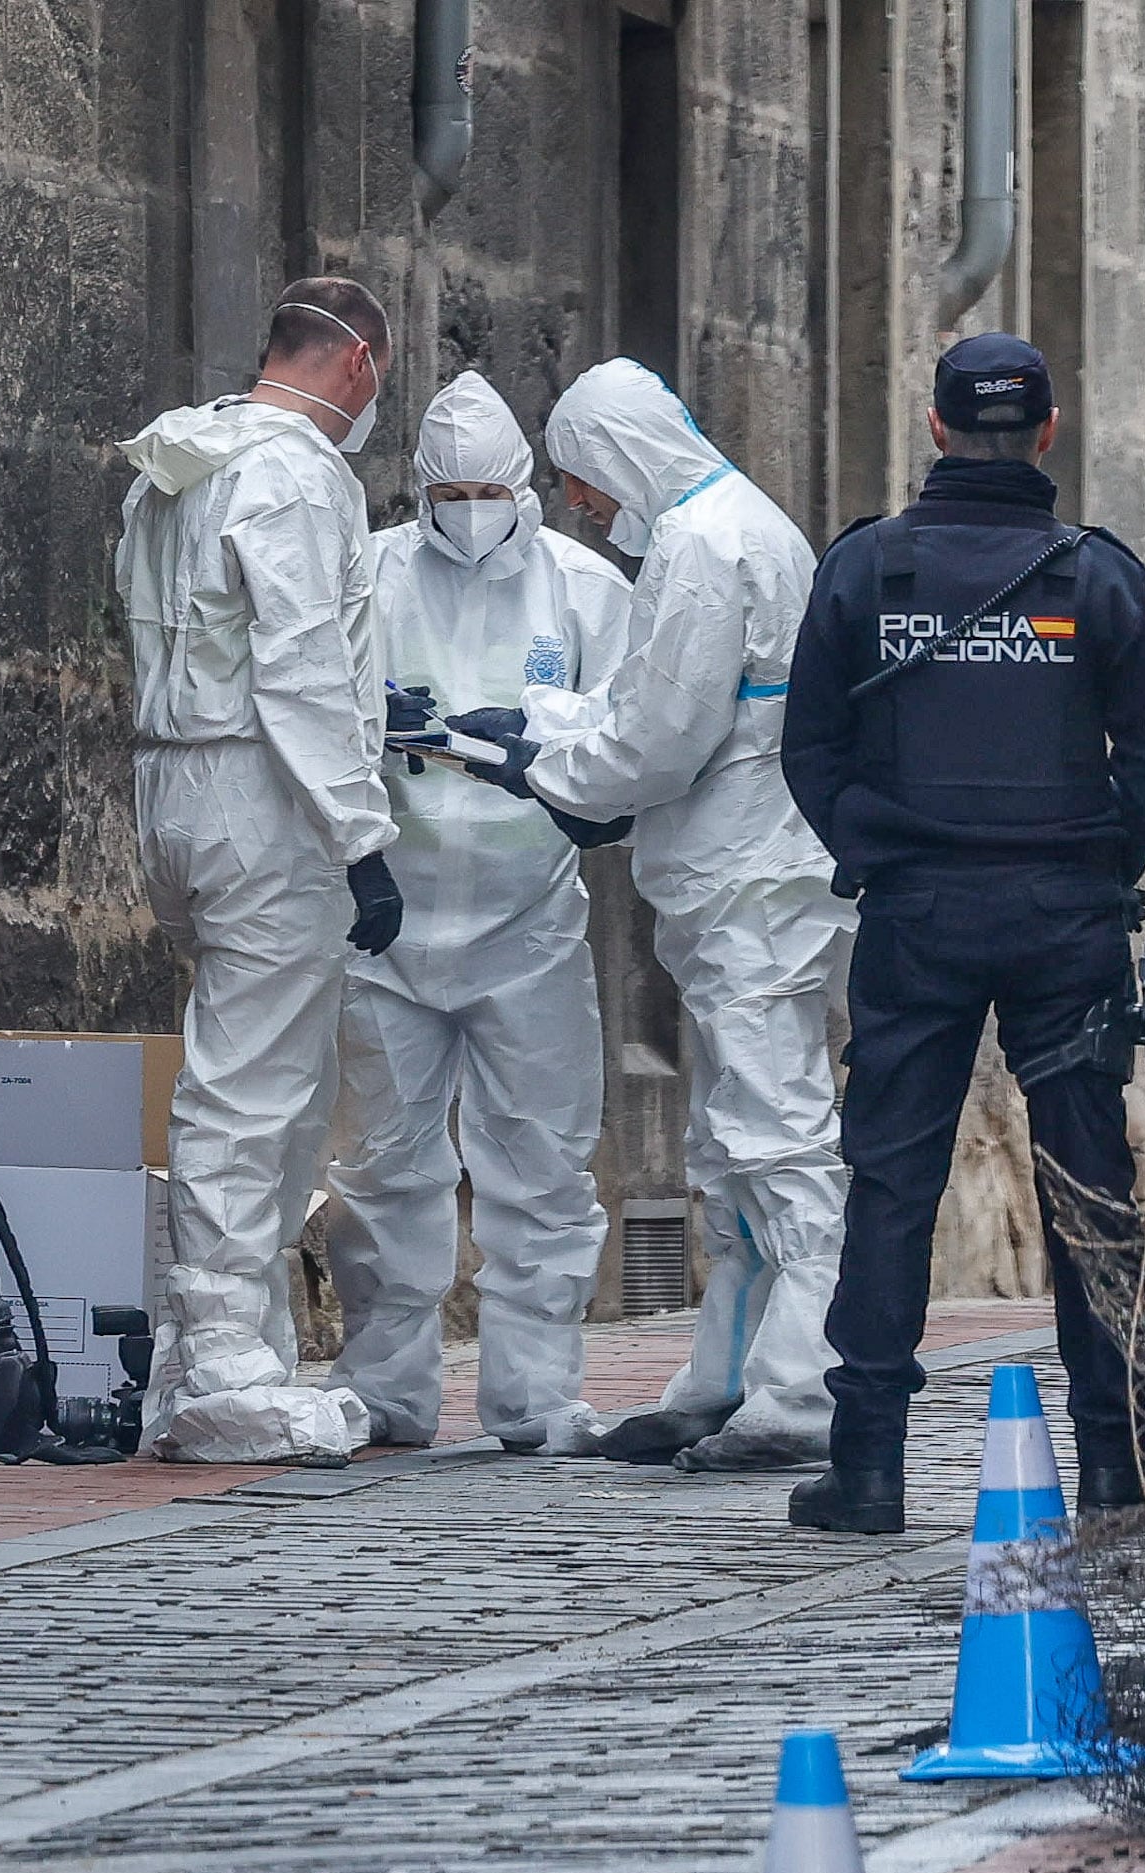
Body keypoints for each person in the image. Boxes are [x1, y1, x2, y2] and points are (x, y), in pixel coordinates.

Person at [772, 334, 1145, 1534]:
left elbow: (810, 749)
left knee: (890, 1182)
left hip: (918, 917)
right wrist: (1090, 865)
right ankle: (1117, 1466)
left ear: (935, 427)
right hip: (1064, 923)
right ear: (1048, 433)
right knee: (1087, 1189)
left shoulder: (866, 570)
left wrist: (883, 850)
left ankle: (865, 1471)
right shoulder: (1098, 578)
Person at [441, 359, 845, 1472]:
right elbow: (660, 704)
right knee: (731, 1141)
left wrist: (540, 765)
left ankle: (802, 1386)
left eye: (580, 478)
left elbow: (662, 739)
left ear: (618, 457)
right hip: (742, 877)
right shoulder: (724, 528)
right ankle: (725, 1374)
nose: (577, 503)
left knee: (777, 1136)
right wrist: (535, 721)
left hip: (749, 882)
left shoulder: (703, 548)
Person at [322, 370, 636, 1454]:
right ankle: (387, 1389)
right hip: (390, 922)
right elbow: (314, 710)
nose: (467, 511)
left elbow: (632, 730)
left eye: (484, 491)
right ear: (417, 490)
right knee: (383, 1170)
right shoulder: (366, 575)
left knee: (542, 1167)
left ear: (522, 489)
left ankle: (535, 1397)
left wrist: (541, 747)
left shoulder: (585, 592)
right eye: (446, 492)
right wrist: (377, 723)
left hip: (528, 922)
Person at [115, 276, 401, 1463]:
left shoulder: (179, 462)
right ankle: (226, 1364)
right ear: (359, 365)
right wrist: (362, 834)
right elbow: (300, 670)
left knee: (250, 1076)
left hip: (175, 781)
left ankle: (206, 1350)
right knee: (253, 1088)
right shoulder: (292, 473)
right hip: (260, 792)